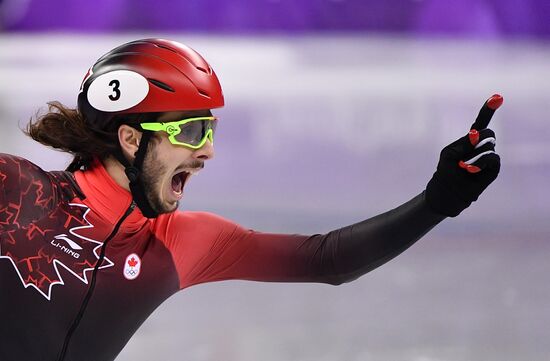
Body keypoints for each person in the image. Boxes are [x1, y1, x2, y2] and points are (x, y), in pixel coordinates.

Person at [0, 38, 502, 361]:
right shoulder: (19, 191)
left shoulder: (179, 242)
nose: (209, 151)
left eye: (211, 129)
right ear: (132, 139)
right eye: (193, 131)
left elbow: (327, 258)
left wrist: (437, 202)